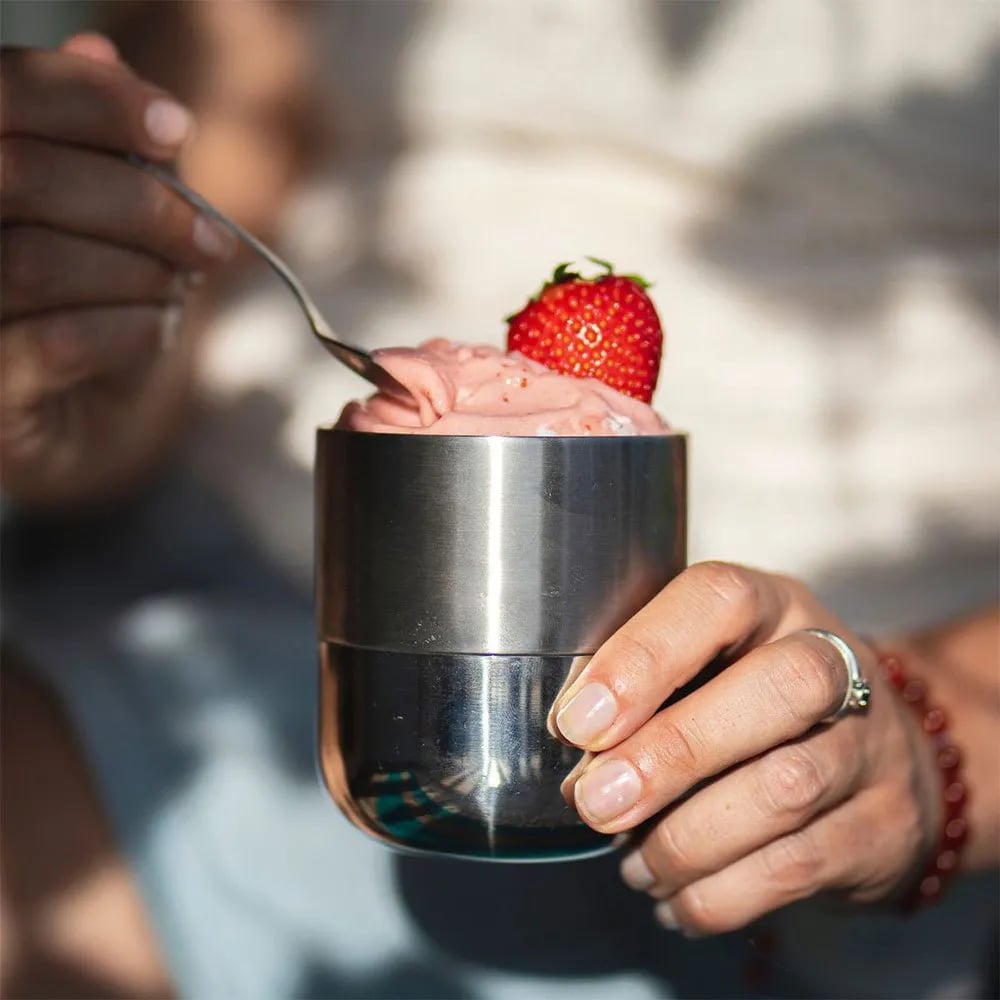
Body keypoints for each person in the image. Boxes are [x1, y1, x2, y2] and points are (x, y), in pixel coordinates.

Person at [2, 3, 998, 998]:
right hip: (222, 590)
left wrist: (936, 732)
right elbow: (224, 150)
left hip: (805, 734)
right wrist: (77, 368)